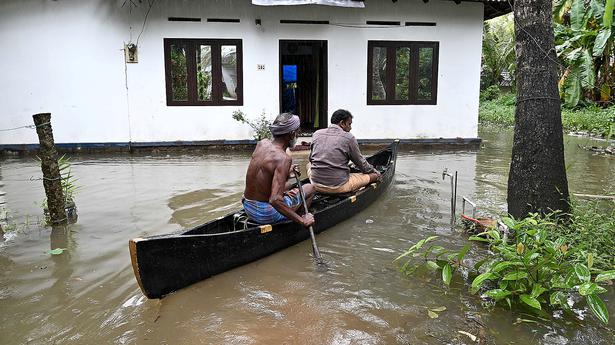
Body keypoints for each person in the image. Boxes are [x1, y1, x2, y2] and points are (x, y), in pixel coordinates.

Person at [242, 113, 315, 227]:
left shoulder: (262, 143)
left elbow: (265, 172)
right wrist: (302, 221)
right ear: (291, 134)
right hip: (265, 214)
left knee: (289, 185)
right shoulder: (283, 158)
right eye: (297, 132)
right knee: (310, 188)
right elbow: (275, 200)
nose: (298, 136)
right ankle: (301, 217)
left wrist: (288, 171)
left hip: (247, 205)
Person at [307, 109, 380, 194]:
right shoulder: (349, 138)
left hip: (315, 184)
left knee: (308, 165)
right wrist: (374, 171)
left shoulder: (317, 134)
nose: (350, 128)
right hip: (338, 186)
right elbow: (362, 164)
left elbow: (311, 159)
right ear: (342, 123)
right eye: (349, 124)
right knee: (374, 176)